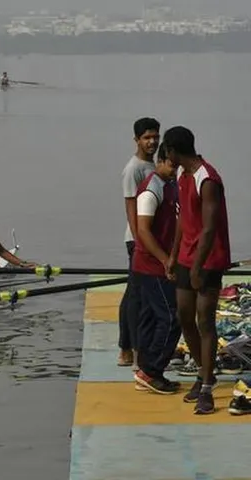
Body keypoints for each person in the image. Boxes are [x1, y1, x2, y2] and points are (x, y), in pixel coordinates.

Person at [165, 126, 231, 415]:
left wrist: (197, 266)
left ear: (174, 151)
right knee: (184, 316)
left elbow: (209, 228)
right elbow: (183, 220)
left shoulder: (208, 179)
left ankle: (206, 388)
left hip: (208, 259)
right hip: (185, 256)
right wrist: (173, 254)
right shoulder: (182, 175)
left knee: (205, 321)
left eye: (167, 150)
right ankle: (206, 371)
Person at [132, 142, 182, 394]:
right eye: (172, 165)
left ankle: (145, 368)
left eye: (178, 166)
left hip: (161, 262)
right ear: (161, 160)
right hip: (151, 265)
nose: (175, 170)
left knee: (151, 318)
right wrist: (166, 260)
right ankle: (151, 371)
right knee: (172, 318)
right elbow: (143, 231)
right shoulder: (151, 189)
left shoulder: (170, 184)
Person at [118, 117, 160, 369]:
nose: (152, 141)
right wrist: (140, 242)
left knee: (136, 293)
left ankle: (130, 347)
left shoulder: (152, 165)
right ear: (136, 140)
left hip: (149, 240)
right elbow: (130, 207)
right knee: (135, 296)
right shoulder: (133, 168)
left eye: (155, 136)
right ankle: (129, 349)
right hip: (137, 241)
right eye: (146, 137)